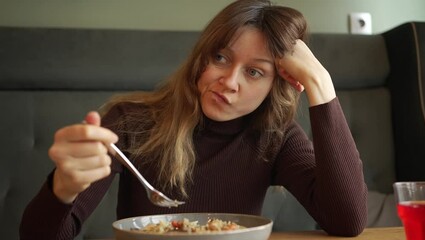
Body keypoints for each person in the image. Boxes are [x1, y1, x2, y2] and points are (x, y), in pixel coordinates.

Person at [20, 0, 368, 239]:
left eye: (253, 72)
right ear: (201, 56)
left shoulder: (275, 137)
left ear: (276, 84)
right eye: (220, 57)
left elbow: (347, 221)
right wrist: (63, 188)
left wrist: (321, 84)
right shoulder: (130, 122)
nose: (229, 82)